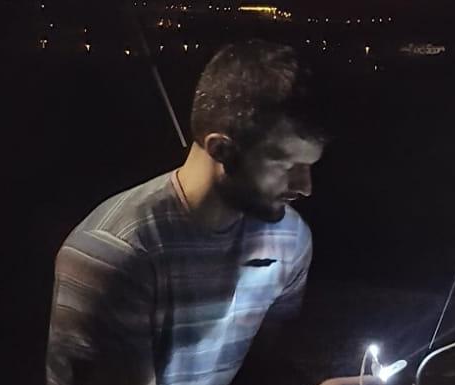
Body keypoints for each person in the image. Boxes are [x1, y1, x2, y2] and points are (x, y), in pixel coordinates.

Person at [45, 40, 373, 385]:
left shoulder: (289, 240)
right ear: (221, 148)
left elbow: (259, 371)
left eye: (309, 166)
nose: (305, 187)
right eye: (285, 164)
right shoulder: (117, 255)